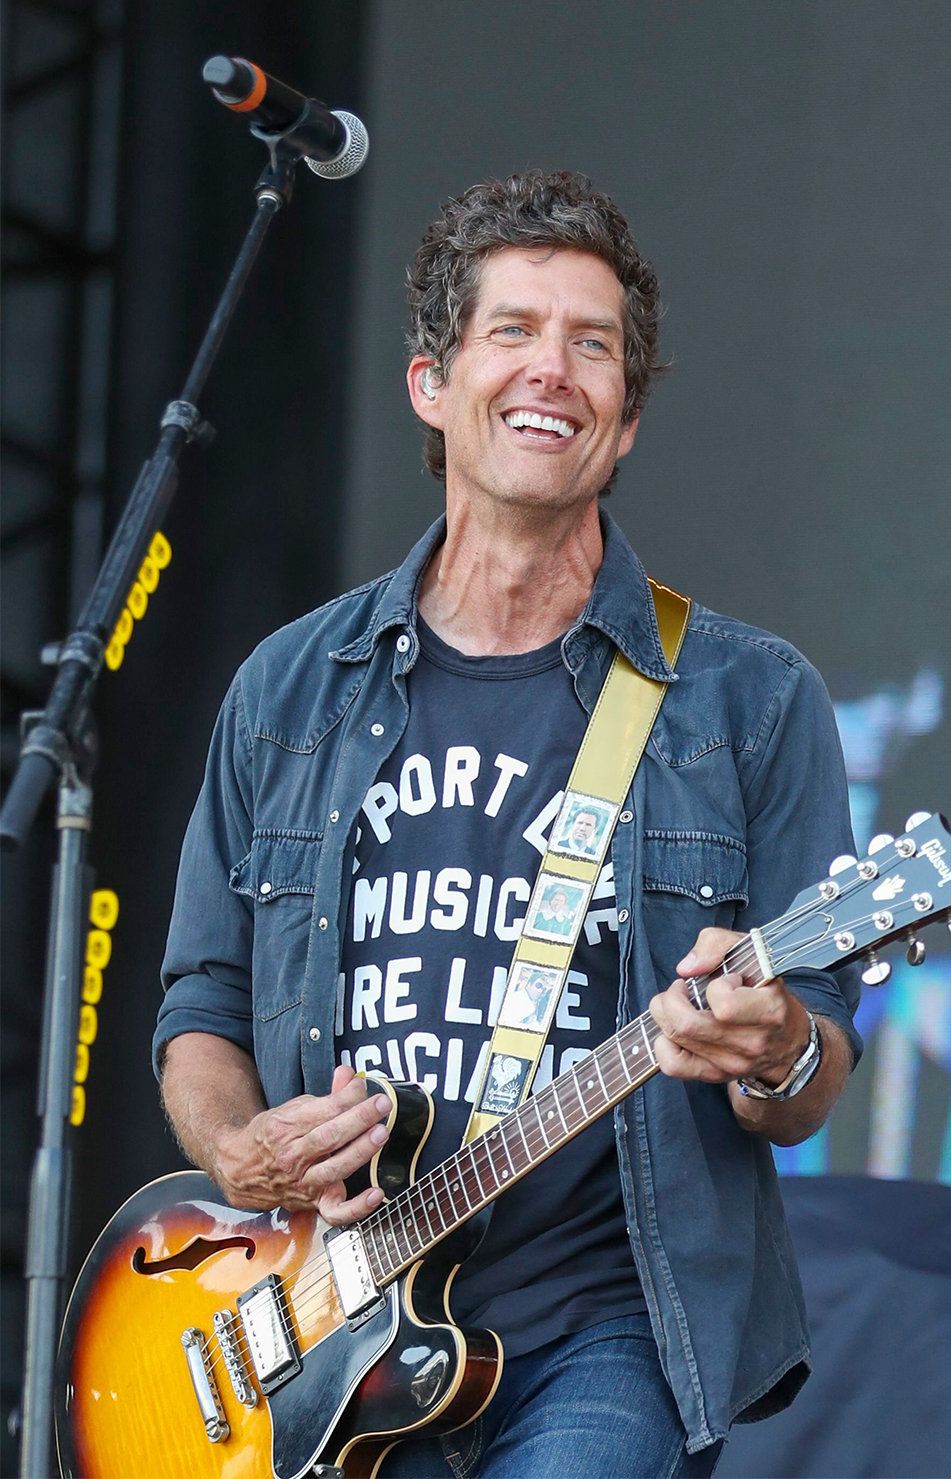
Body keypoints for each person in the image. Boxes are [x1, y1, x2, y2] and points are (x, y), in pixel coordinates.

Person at [155, 171, 862, 1479]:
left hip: (607, 1326)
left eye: (593, 345)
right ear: (434, 383)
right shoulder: (290, 688)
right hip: (325, 1332)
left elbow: (812, 1074)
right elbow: (201, 996)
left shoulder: (747, 698)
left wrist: (769, 1049)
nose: (556, 368)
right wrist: (240, 1147)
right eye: (515, 331)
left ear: (628, 417)